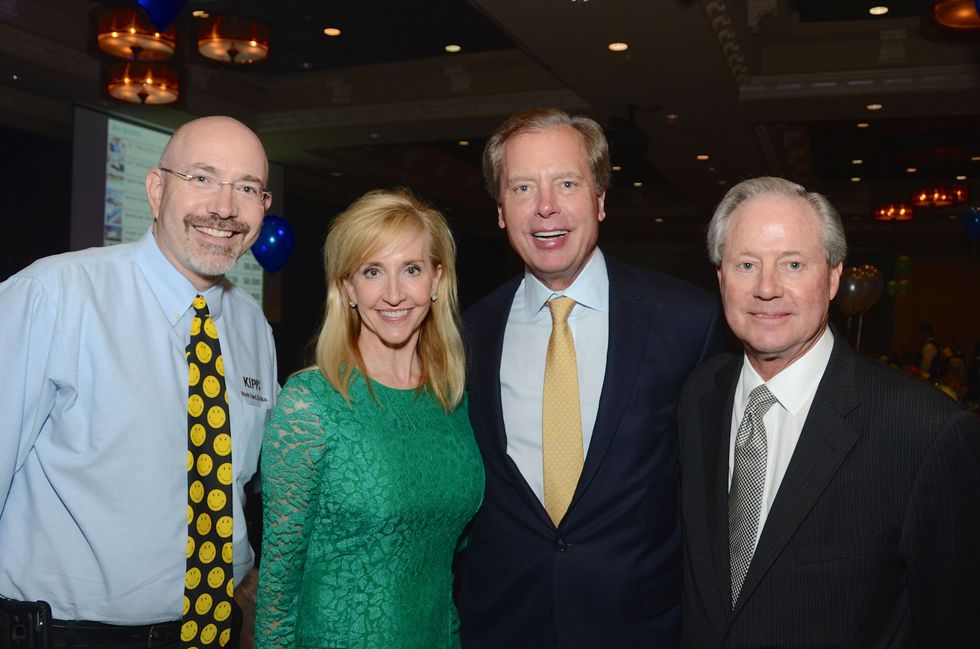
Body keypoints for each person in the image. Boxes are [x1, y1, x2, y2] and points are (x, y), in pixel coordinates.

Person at [0, 116, 279, 648]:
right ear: (156, 189)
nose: (224, 207)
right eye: (202, 178)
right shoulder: (53, 296)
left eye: (246, 188)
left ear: (263, 208)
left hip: (215, 633)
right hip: (70, 637)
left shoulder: (252, 328)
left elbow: (253, 483)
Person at [456, 108, 725, 648]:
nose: (545, 206)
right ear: (502, 212)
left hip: (641, 628)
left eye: (567, 183)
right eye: (523, 187)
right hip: (503, 626)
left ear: (601, 199)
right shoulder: (464, 335)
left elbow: (721, 494)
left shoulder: (690, 321)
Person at [679, 176, 980, 646]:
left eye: (793, 264)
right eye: (745, 264)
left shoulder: (925, 432)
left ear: (834, 276)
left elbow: (954, 625)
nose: (766, 288)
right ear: (720, 278)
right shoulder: (698, 395)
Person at [255, 189, 483, 649]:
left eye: (412, 270)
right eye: (372, 271)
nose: (394, 293)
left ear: (437, 279)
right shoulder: (311, 404)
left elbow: (447, 555)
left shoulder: (451, 400)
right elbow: (277, 586)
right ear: (347, 287)